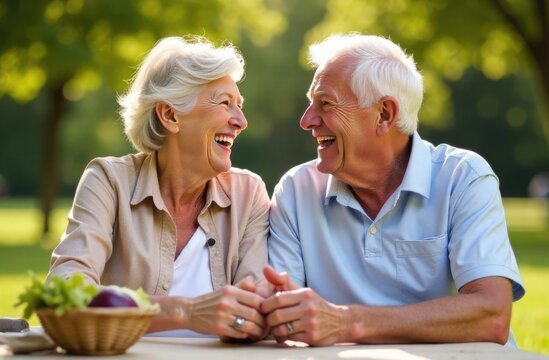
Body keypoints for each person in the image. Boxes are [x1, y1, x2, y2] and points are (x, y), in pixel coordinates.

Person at [261, 33, 525, 347]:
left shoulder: (463, 177)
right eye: (310, 104)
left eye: (325, 103)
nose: (307, 120)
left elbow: (491, 315)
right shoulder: (296, 190)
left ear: (384, 114)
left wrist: (347, 322)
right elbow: (283, 317)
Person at [47, 35, 269, 341]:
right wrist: (185, 312)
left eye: (240, 106)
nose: (241, 121)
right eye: (225, 103)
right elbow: (65, 290)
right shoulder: (110, 181)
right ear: (170, 115)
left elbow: (256, 307)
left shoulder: (248, 194)